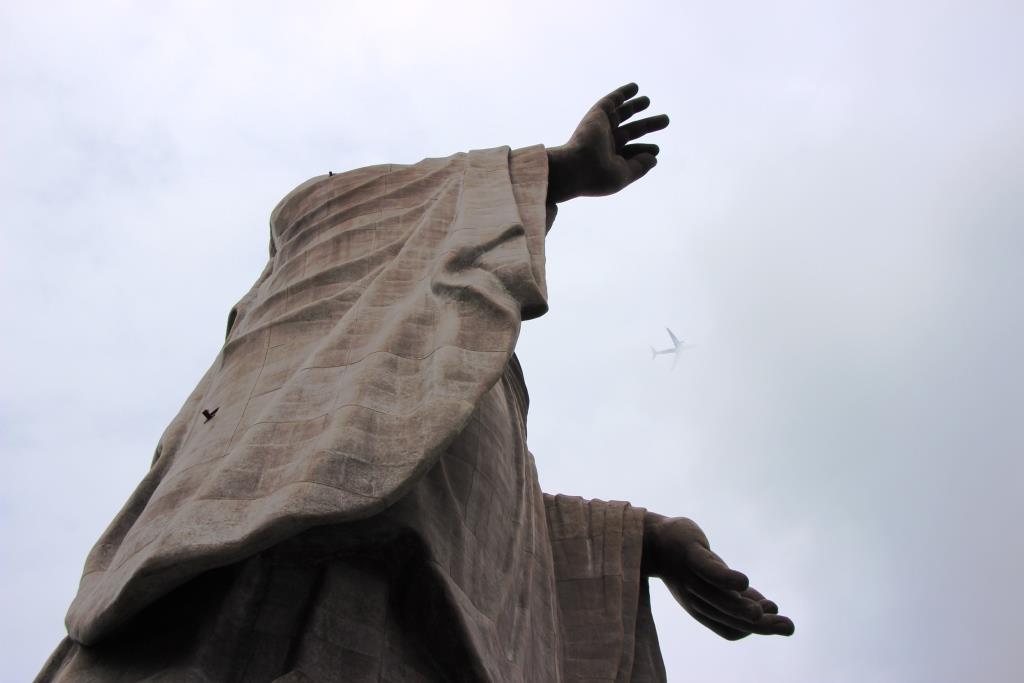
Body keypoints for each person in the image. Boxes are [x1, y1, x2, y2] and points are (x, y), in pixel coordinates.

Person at [37, 84, 793, 683]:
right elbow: (317, 209)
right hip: (268, 590)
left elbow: (494, 533)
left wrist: (644, 540)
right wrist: (553, 171)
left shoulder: (477, 379)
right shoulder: (313, 334)